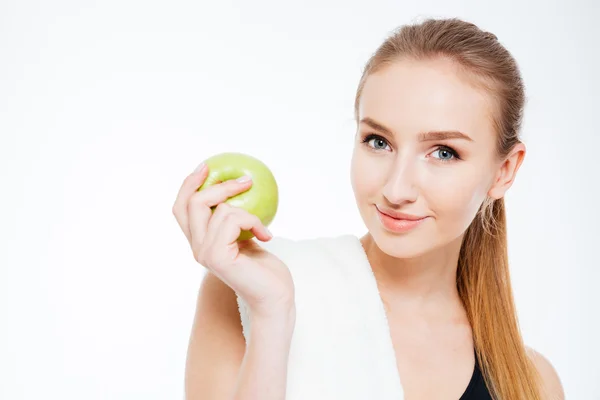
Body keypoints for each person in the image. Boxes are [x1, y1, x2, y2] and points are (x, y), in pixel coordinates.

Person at [172, 17, 565, 400]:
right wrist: (272, 316)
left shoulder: (531, 386)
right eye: (379, 142)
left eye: (443, 152)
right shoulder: (249, 291)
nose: (396, 189)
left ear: (504, 170)